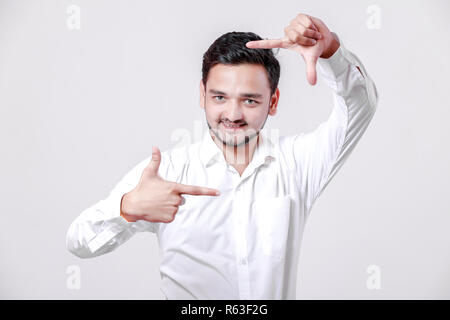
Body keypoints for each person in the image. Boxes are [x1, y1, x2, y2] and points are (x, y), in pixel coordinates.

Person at [66, 13, 378, 299]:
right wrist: (127, 208)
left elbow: (359, 108)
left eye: (250, 100)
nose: (232, 113)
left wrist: (331, 51)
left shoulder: (296, 164)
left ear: (273, 101)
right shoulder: (168, 171)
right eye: (219, 97)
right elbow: (79, 240)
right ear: (202, 94)